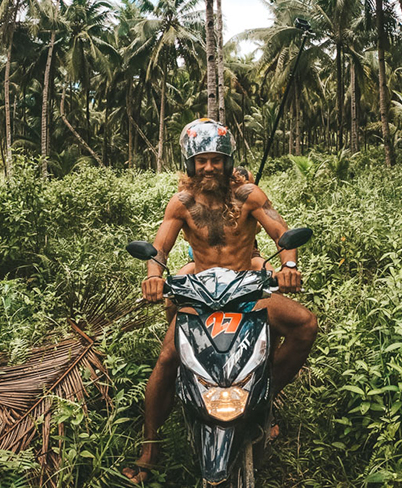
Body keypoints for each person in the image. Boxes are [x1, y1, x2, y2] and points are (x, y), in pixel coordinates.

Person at [123, 118, 318, 484]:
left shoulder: (248, 196)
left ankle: (263, 398)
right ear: (189, 164)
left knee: (305, 324)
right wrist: (153, 276)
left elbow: (281, 232)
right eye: (201, 160)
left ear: (227, 162)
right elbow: (160, 246)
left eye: (216, 159)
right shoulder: (181, 203)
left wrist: (289, 265)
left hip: (247, 288)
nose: (208, 166)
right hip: (201, 291)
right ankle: (150, 448)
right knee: (167, 359)